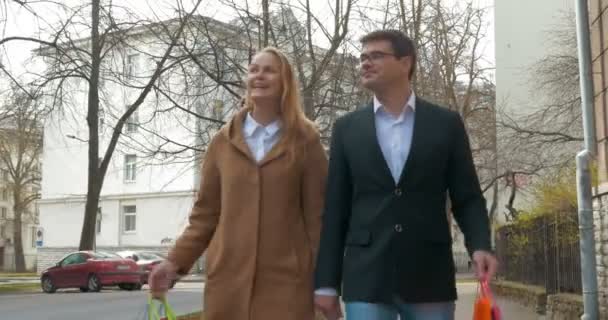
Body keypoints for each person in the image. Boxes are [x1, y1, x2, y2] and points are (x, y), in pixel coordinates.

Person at [313, 30, 498, 320]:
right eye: (362, 57)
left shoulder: (445, 124)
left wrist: (480, 245)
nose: (365, 63)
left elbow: (468, 196)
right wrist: (326, 282)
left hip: (429, 275)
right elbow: (335, 210)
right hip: (367, 278)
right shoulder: (347, 129)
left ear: (405, 62)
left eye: (376, 56)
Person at [148, 47, 328, 320]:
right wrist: (173, 262)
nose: (259, 75)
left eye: (269, 70)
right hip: (227, 282)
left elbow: (317, 218)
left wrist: (325, 283)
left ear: (285, 81)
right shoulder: (223, 141)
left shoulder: (306, 139)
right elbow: (205, 216)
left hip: (288, 283)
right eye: (254, 69)